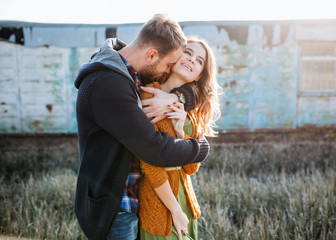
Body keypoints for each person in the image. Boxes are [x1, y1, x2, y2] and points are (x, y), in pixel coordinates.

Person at [73, 14, 210, 240]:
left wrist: (179, 98)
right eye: (168, 64)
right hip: (115, 207)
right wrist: (199, 148)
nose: (167, 69)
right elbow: (154, 150)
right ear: (152, 55)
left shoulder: (129, 72)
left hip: (135, 201)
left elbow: (191, 86)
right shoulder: (108, 84)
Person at [138, 37, 221, 240]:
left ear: (200, 74)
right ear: (176, 55)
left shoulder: (190, 110)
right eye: (188, 52)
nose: (192, 60)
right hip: (160, 203)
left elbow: (191, 168)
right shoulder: (148, 95)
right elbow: (149, 164)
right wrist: (175, 211)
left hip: (186, 201)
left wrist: (181, 132)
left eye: (199, 61)